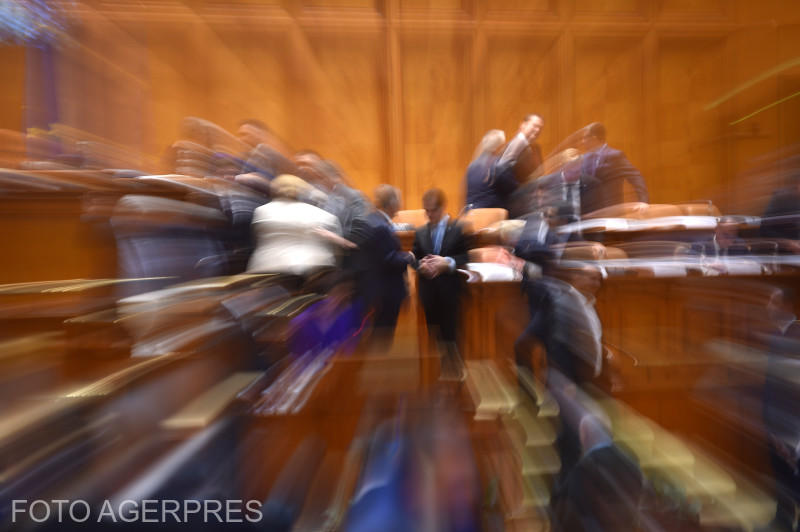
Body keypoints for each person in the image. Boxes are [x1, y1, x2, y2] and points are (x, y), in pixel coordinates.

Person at [412, 188, 470, 379]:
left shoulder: (459, 228)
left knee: (451, 332)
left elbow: (465, 256)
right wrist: (420, 265)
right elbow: (415, 257)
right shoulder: (420, 232)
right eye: (426, 211)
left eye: (433, 210)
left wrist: (448, 263)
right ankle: (441, 370)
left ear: (443, 207)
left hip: (449, 291)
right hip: (428, 292)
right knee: (433, 333)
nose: (429, 215)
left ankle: (456, 370)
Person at [354, 185, 416, 346]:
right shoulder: (381, 226)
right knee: (382, 337)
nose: (400, 204)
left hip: (373, 288)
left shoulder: (370, 220)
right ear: (392, 203)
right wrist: (409, 256)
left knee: (375, 334)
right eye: (399, 200)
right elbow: (389, 259)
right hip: (386, 292)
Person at [578, 122, 649, 215]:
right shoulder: (583, 158)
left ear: (594, 138)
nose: (582, 141)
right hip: (588, 214)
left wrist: (643, 201)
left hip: (611, 213)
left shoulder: (615, 156)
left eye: (585, 137)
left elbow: (635, 177)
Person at [464, 129, 517, 210]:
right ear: (499, 147)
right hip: (493, 217)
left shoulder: (471, 166)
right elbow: (514, 191)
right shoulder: (499, 164)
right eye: (503, 145)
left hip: (471, 215)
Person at [497, 114, 545, 183]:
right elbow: (501, 173)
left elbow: (540, 172)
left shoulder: (536, 148)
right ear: (523, 125)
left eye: (540, 128)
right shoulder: (513, 145)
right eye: (535, 126)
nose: (538, 130)